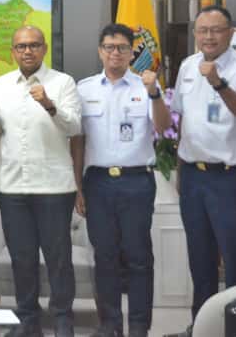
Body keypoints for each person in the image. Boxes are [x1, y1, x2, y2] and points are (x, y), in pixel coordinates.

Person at [165, 6, 236, 337]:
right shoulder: (187, 66)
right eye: (202, 30)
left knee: (235, 258)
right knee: (200, 258)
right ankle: (202, 326)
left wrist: (219, 84)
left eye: (216, 30)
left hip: (229, 176)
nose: (208, 36)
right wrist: (181, 170)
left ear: (231, 33)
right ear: (195, 33)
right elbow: (183, 121)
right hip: (194, 176)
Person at [72, 24, 171, 337]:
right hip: (98, 183)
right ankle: (110, 325)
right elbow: (78, 142)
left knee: (139, 257)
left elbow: (164, 128)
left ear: (132, 53)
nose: (115, 53)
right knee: (105, 257)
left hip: (136, 182)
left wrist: (155, 93)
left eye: (122, 48)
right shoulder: (84, 89)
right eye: (109, 47)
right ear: (100, 51)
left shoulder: (146, 86)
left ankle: (139, 326)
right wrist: (78, 187)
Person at [0, 26, 82, 337]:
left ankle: (63, 320)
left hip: (53, 188)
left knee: (58, 259)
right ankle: (28, 320)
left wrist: (50, 105)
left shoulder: (63, 82)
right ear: (13, 51)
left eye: (34, 45)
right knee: (22, 259)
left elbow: (74, 127)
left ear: (44, 49)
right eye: (21, 46)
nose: (27, 51)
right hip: (12, 188)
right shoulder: (0, 86)